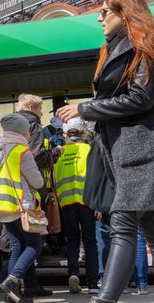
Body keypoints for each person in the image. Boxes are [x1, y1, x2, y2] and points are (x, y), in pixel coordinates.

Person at [56, 0, 154, 303]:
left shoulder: (148, 45)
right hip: (119, 151)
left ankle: (104, 300)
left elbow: (141, 99)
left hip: (138, 149)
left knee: (123, 224)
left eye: (106, 11)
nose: (99, 17)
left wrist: (85, 109)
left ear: (126, 11)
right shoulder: (115, 47)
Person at [0, 113, 44, 303]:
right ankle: (13, 280)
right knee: (35, 245)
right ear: (22, 131)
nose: (30, 132)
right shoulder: (21, 151)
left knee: (17, 247)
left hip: (1, 208)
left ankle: (11, 296)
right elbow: (37, 182)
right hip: (20, 206)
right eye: (28, 128)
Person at [16, 94, 61, 298]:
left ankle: (30, 285)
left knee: (23, 242)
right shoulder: (32, 124)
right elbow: (33, 156)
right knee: (32, 242)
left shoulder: (15, 124)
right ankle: (9, 279)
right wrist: (55, 152)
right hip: (31, 192)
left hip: (18, 190)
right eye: (41, 109)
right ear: (32, 107)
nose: (42, 113)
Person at [54, 118, 99, 294]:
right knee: (90, 240)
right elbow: (95, 177)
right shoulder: (89, 149)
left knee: (72, 239)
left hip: (66, 203)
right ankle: (93, 282)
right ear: (82, 133)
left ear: (66, 134)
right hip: (86, 201)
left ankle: (73, 273)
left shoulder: (61, 152)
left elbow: (55, 178)